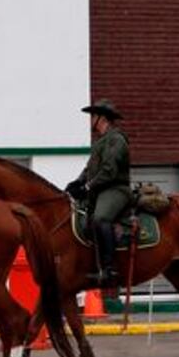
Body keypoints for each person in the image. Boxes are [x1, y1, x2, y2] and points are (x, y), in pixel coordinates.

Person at [64, 99, 131, 285]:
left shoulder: (116, 139)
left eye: (93, 116)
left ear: (102, 118)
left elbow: (109, 171)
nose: (90, 120)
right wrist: (76, 183)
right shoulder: (101, 142)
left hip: (116, 189)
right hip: (100, 189)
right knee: (83, 220)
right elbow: (90, 169)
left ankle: (110, 269)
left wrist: (87, 187)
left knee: (100, 218)